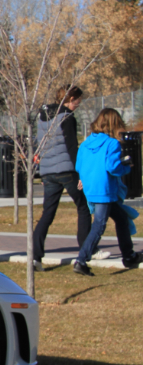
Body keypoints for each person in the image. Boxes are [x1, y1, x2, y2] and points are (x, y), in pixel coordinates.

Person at [72, 108, 142, 276]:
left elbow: (78, 166)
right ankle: (81, 260)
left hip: (91, 189)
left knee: (122, 219)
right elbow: (112, 167)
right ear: (114, 124)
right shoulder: (112, 144)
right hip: (104, 190)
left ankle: (129, 256)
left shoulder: (86, 143)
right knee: (99, 225)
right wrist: (125, 167)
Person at [31, 86, 94, 271]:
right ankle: (85, 251)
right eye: (78, 101)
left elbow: (40, 144)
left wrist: (41, 168)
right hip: (67, 170)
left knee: (47, 213)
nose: (79, 104)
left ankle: (35, 256)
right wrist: (81, 172)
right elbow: (72, 147)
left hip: (48, 171)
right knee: (83, 206)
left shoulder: (43, 117)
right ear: (71, 98)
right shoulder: (67, 117)